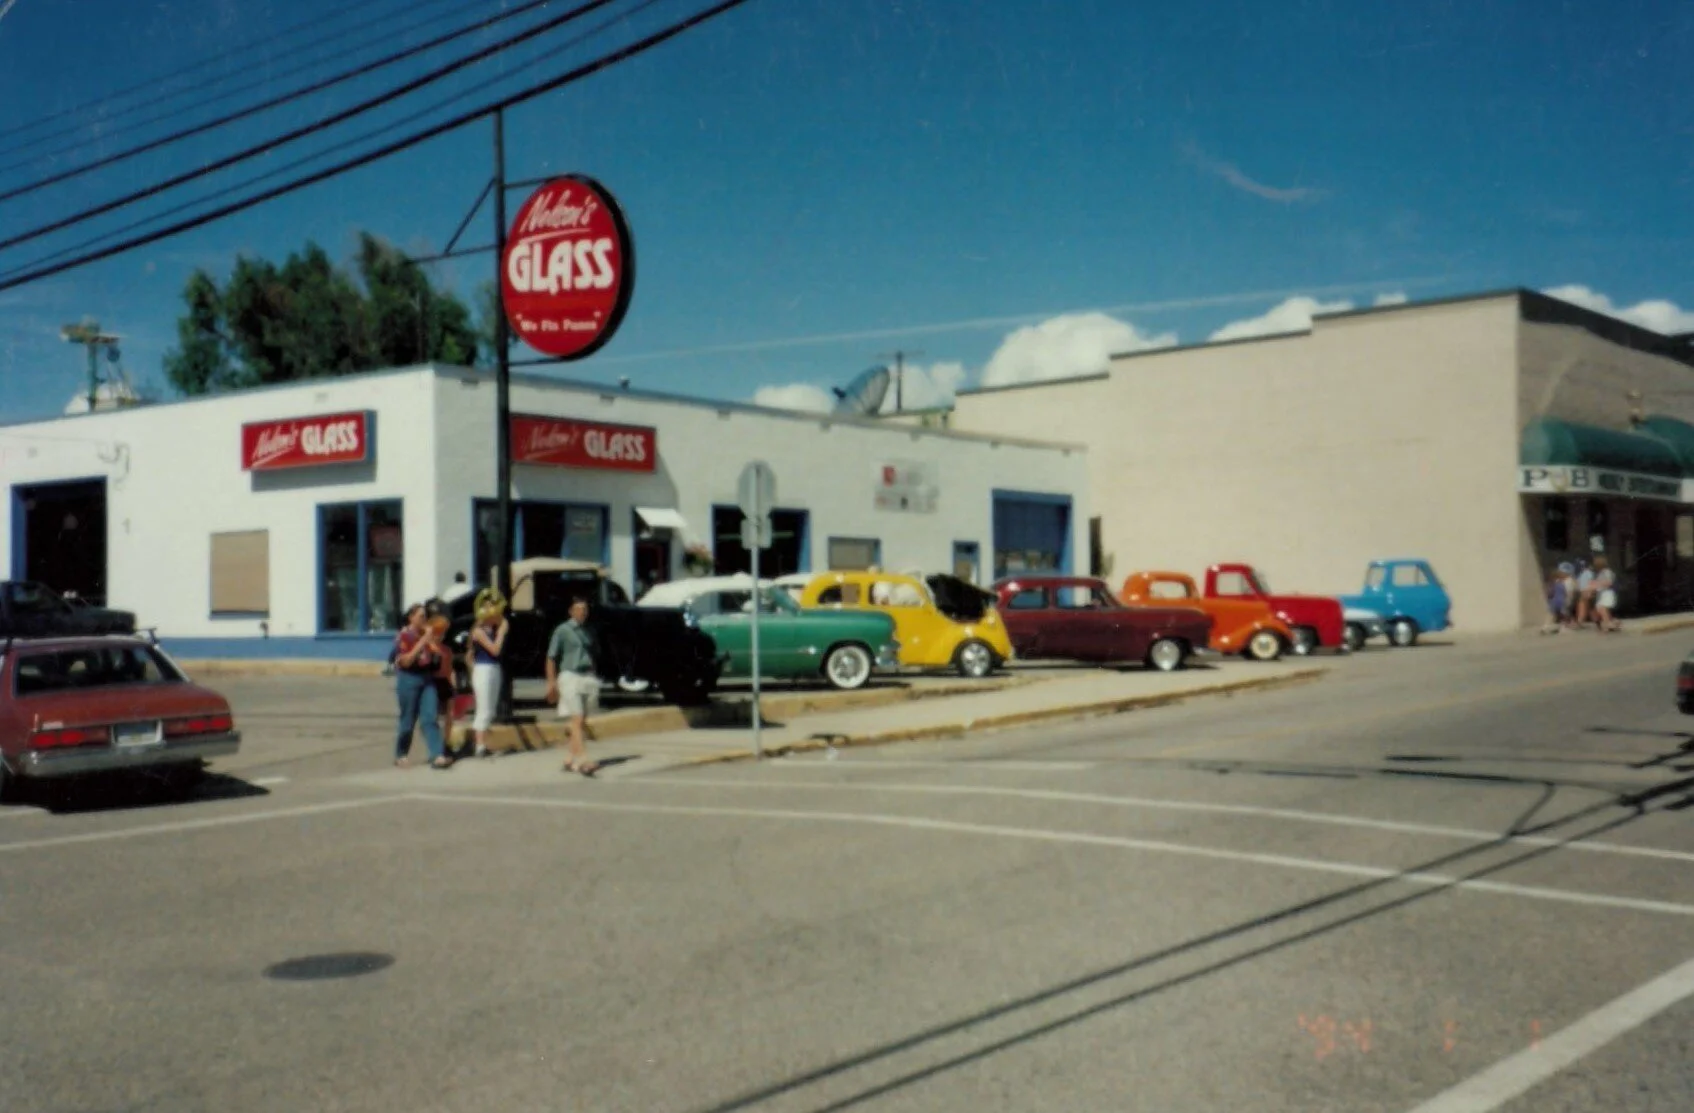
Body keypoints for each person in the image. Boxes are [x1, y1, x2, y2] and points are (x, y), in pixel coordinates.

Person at [544, 596, 601, 776]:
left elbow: (593, 653)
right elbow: (551, 657)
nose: (582, 612)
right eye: (579, 609)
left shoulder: (589, 631)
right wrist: (551, 682)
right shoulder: (563, 630)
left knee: (580, 721)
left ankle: (569, 759)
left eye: (585, 609)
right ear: (571, 611)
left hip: (587, 676)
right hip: (570, 676)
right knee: (577, 718)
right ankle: (583, 759)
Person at [392, 603, 451, 769]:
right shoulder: (404, 636)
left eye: (426, 616)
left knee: (430, 717)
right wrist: (424, 640)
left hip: (426, 678)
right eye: (421, 616)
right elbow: (406, 660)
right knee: (408, 719)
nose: (424, 620)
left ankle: (437, 754)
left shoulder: (426, 634)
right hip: (409, 678)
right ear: (411, 617)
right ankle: (401, 754)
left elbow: (437, 654)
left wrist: (432, 640)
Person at [468, 605, 509, 759]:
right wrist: (501, 633)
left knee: (491, 708)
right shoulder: (478, 631)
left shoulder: (492, 630)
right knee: (483, 708)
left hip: (494, 668)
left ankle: (484, 743)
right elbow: (494, 649)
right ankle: (479, 745)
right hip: (483, 669)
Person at [1591, 556, 1621, 632]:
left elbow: (1609, 582)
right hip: (1602, 593)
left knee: (1602, 608)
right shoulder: (1600, 573)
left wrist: (1597, 584)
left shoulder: (1607, 572)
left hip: (1607, 593)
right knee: (1601, 609)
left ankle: (1607, 624)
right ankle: (1614, 622)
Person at [1541, 566, 1568, 635]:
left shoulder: (1552, 584)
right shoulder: (1561, 584)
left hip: (1553, 601)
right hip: (1561, 601)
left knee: (1551, 615)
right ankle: (1563, 628)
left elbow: (1550, 593)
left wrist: (1549, 598)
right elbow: (1565, 593)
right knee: (1562, 616)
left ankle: (1545, 627)